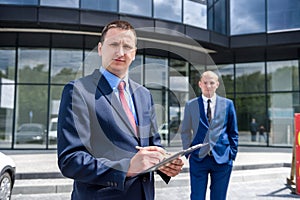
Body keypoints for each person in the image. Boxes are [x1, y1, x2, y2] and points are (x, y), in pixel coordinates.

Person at [57, 20, 184, 200]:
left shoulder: (144, 95)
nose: (120, 52)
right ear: (100, 49)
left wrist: (164, 162)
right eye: (114, 44)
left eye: (127, 46)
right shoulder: (78, 91)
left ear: (134, 53)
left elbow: (152, 145)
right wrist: (127, 168)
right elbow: (71, 160)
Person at [181, 71, 239, 200]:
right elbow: (185, 130)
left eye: (212, 83)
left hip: (222, 158)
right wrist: (188, 153)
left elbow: (233, 131)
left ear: (217, 84)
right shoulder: (191, 105)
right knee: (197, 196)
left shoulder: (228, 104)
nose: (208, 86)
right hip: (198, 159)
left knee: (219, 197)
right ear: (200, 84)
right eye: (205, 83)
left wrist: (232, 154)